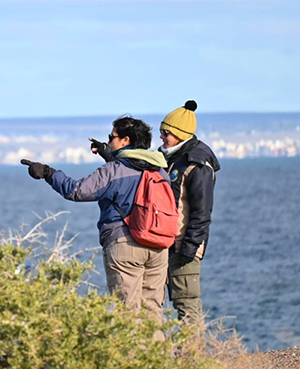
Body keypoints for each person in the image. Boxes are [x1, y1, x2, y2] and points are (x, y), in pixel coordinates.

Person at [21, 115, 169, 313]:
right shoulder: (161, 170)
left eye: (112, 137)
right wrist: (110, 154)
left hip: (126, 244)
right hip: (159, 246)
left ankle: (134, 346)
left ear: (126, 141)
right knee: (152, 310)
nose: (108, 141)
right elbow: (134, 172)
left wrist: (48, 172)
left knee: (128, 312)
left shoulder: (114, 170)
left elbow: (76, 190)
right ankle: (158, 345)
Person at [91, 101, 220, 323]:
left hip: (183, 244)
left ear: (181, 134)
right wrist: (109, 154)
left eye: (166, 132)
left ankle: (193, 354)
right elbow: (138, 169)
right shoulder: (166, 157)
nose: (161, 136)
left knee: (185, 301)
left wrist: (189, 248)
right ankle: (159, 355)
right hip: (161, 241)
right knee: (152, 304)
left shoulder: (197, 164)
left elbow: (202, 211)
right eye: (161, 131)